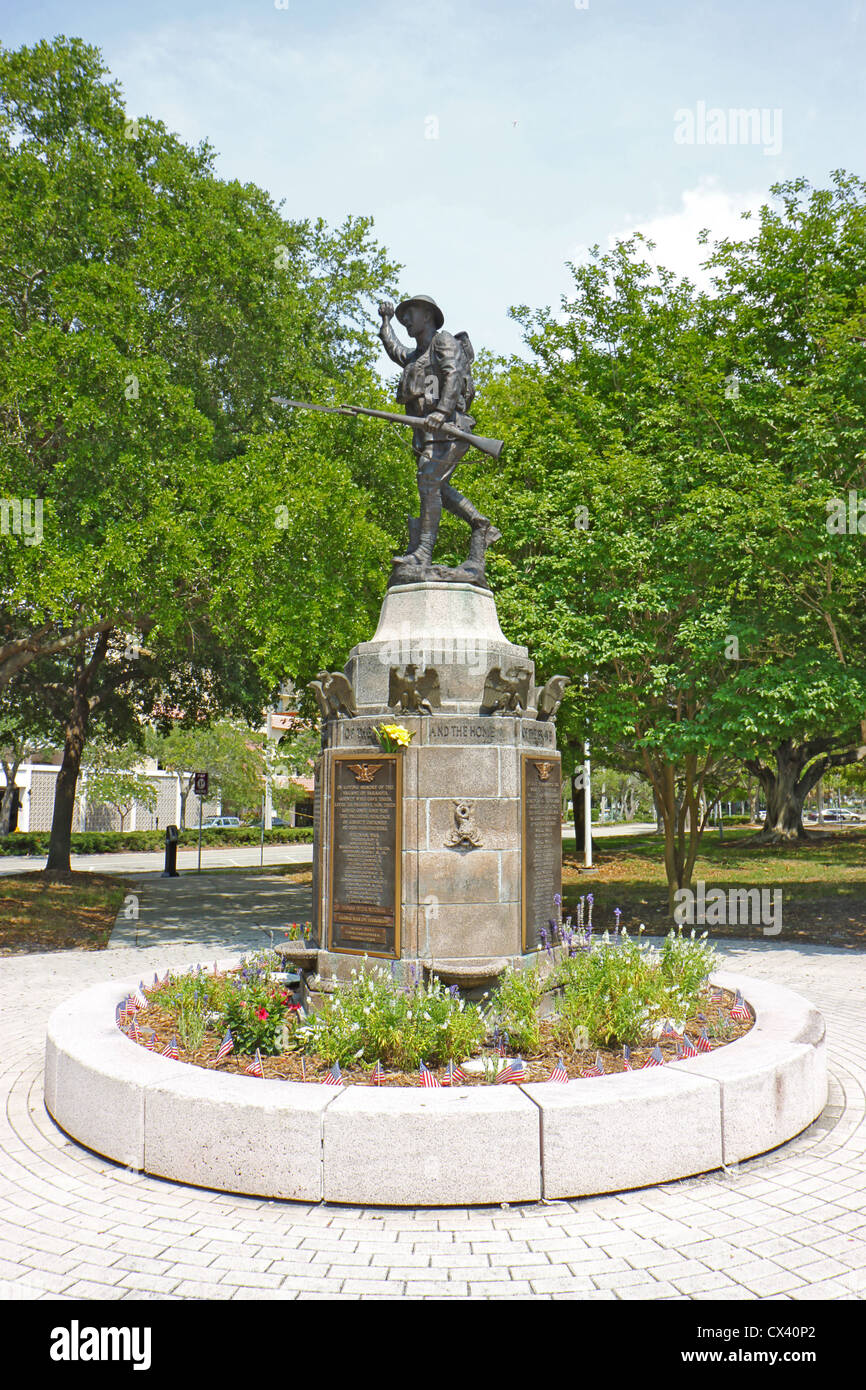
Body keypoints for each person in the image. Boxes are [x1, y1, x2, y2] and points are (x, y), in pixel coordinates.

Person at [378, 295, 500, 573]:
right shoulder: (415, 356)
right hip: (427, 436)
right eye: (402, 315)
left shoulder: (443, 341)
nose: (406, 319)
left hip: (450, 430)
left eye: (411, 313)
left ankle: (423, 552)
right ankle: (481, 525)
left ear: (428, 315)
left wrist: (442, 412)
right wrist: (385, 322)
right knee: (437, 488)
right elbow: (395, 349)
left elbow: (454, 374)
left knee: (428, 480)